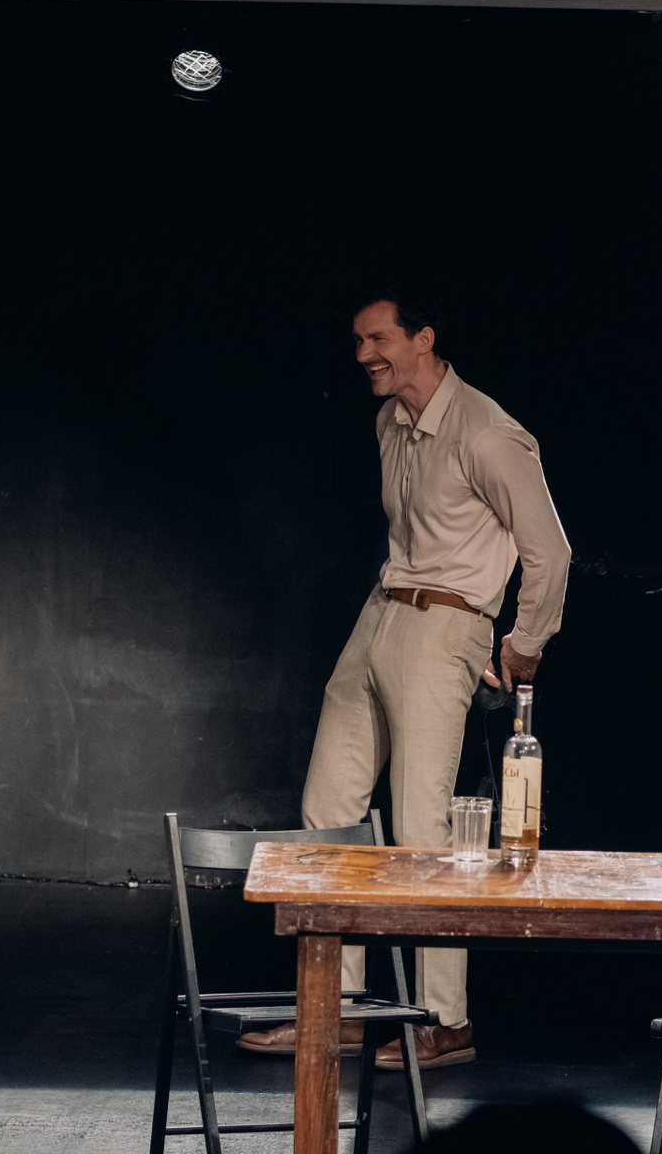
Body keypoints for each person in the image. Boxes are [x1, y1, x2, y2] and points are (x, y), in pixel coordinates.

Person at [238, 280, 571, 1069]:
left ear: (424, 340)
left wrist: (521, 643)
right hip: (381, 611)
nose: (363, 355)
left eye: (377, 339)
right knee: (328, 809)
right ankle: (340, 1010)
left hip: (446, 624)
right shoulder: (390, 421)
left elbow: (550, 552)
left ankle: (446, 1021)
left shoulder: (487, 433)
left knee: (424, 826)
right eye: (357, 341)